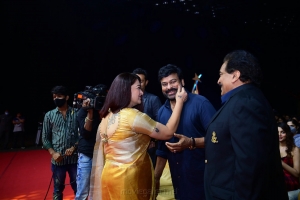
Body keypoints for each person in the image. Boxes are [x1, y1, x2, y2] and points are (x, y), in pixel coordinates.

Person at [204, 50, 288, 199]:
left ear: (235, 75)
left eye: (221, 74)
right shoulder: (243, 100)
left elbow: (251, 167)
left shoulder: (246, 103)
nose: (218, 80)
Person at [88, 72, 187, 200]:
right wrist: (179, 102)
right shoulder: (132, 116)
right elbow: (168, 132)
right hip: (128, 179)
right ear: (126, 90)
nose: (141, 92)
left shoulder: (107, 116)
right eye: (138, 88)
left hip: (109, 175)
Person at [154, 64, 217, 200]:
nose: (169, 87)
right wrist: (156, 178)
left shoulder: (201, 103)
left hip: (204, 182)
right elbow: (162, 150)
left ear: (182, 81)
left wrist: (191, 142)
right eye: (164, 84)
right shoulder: (161, 112)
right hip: (179, 183)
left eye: (173, 82)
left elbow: (219, 138)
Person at [42, 86, 78, 200]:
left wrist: (74, 147)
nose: (56, 99)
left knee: (78, 188)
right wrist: (53, 153)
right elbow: (45, 138)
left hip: (75, 160)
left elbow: (82, 135)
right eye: (54, 97)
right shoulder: (49, 115)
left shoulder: (76, 113)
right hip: (57, 161)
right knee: (57, 190)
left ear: (67, 97)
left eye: (59, 96)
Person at [75, 86, 106, 200]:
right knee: (82, 192)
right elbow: (86, 134)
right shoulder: (81, 112)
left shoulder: (102, 111)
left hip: (100, 154)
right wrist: (90, 113)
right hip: (86, 154)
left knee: (97, 190)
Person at [132, 67, 162, 168]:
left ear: (146, 82)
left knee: (148, 176)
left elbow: (160, 122)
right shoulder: (128, 100)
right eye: (136, 80)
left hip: (149, 146)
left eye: (142, 81)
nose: (139, 83)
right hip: (132, 145)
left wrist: (153, 141)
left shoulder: (153, 99)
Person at [278, 122, 300, 200]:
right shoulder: (272, 148)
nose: (279, 134)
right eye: (277, 132)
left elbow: (297, 173)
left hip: (290, 185)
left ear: (287, 133)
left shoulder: (294, 149)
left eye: (282, 132)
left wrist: (281, 163)